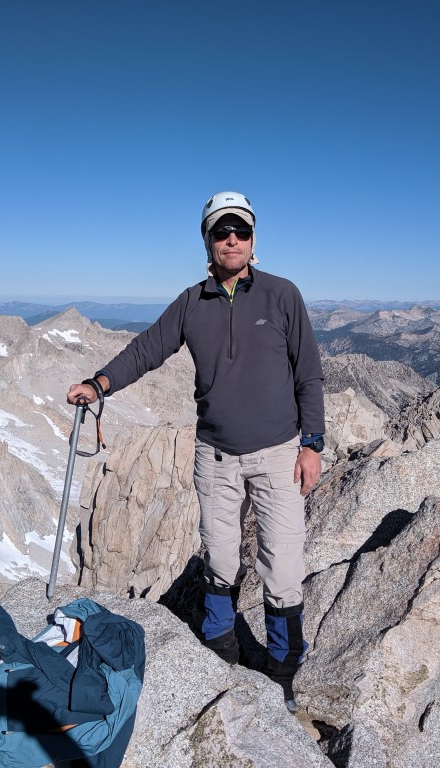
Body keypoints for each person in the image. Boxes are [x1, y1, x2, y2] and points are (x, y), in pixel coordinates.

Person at [67, 191, 325, 711]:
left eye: (241, 231)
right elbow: (147, 349)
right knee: (221, 560)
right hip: (216, 457)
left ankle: (282, 674)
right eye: (221, 231)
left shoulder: (282, 295)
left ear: (254, 241)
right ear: (207, 240)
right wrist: (101, 383)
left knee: (283, 567)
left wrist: (312, 445)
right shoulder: (191, 302)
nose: (232, 239)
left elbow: (308, 373)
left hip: (278, 454)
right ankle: (220, 652)